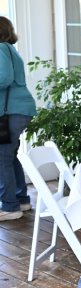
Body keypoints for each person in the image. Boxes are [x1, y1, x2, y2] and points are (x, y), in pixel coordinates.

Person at [0, 17, 36, 221]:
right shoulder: (9, 48)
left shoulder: (0, 48)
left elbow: (4, 78)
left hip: (11, 111)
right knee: (9, 155)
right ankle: (21, 199)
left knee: (2, 157)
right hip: (18, 109)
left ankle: (10, 207)